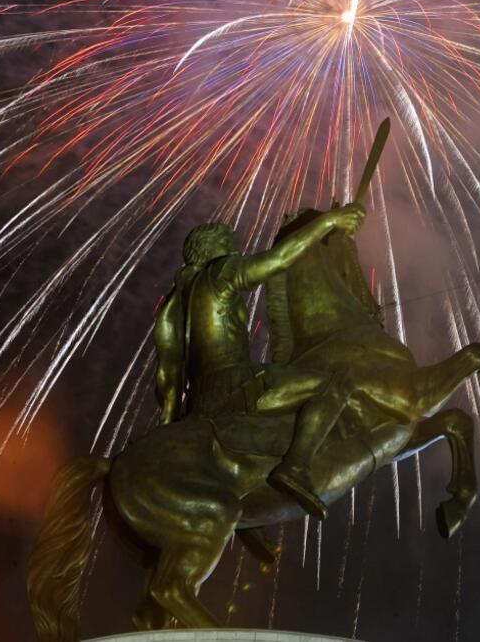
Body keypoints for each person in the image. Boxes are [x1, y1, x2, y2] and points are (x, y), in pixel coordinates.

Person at [153, 202, 366, 518]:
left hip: (199, 403)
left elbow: (168, 375)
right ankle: (295, 467)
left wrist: (168, 429)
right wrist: (329, 221)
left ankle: (250, 506)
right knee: (335, 384)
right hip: (237, 386)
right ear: (210, 250)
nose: (237, 253)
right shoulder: (218, 274)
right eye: (229, 246)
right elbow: (278, 260)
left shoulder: (177, 301)